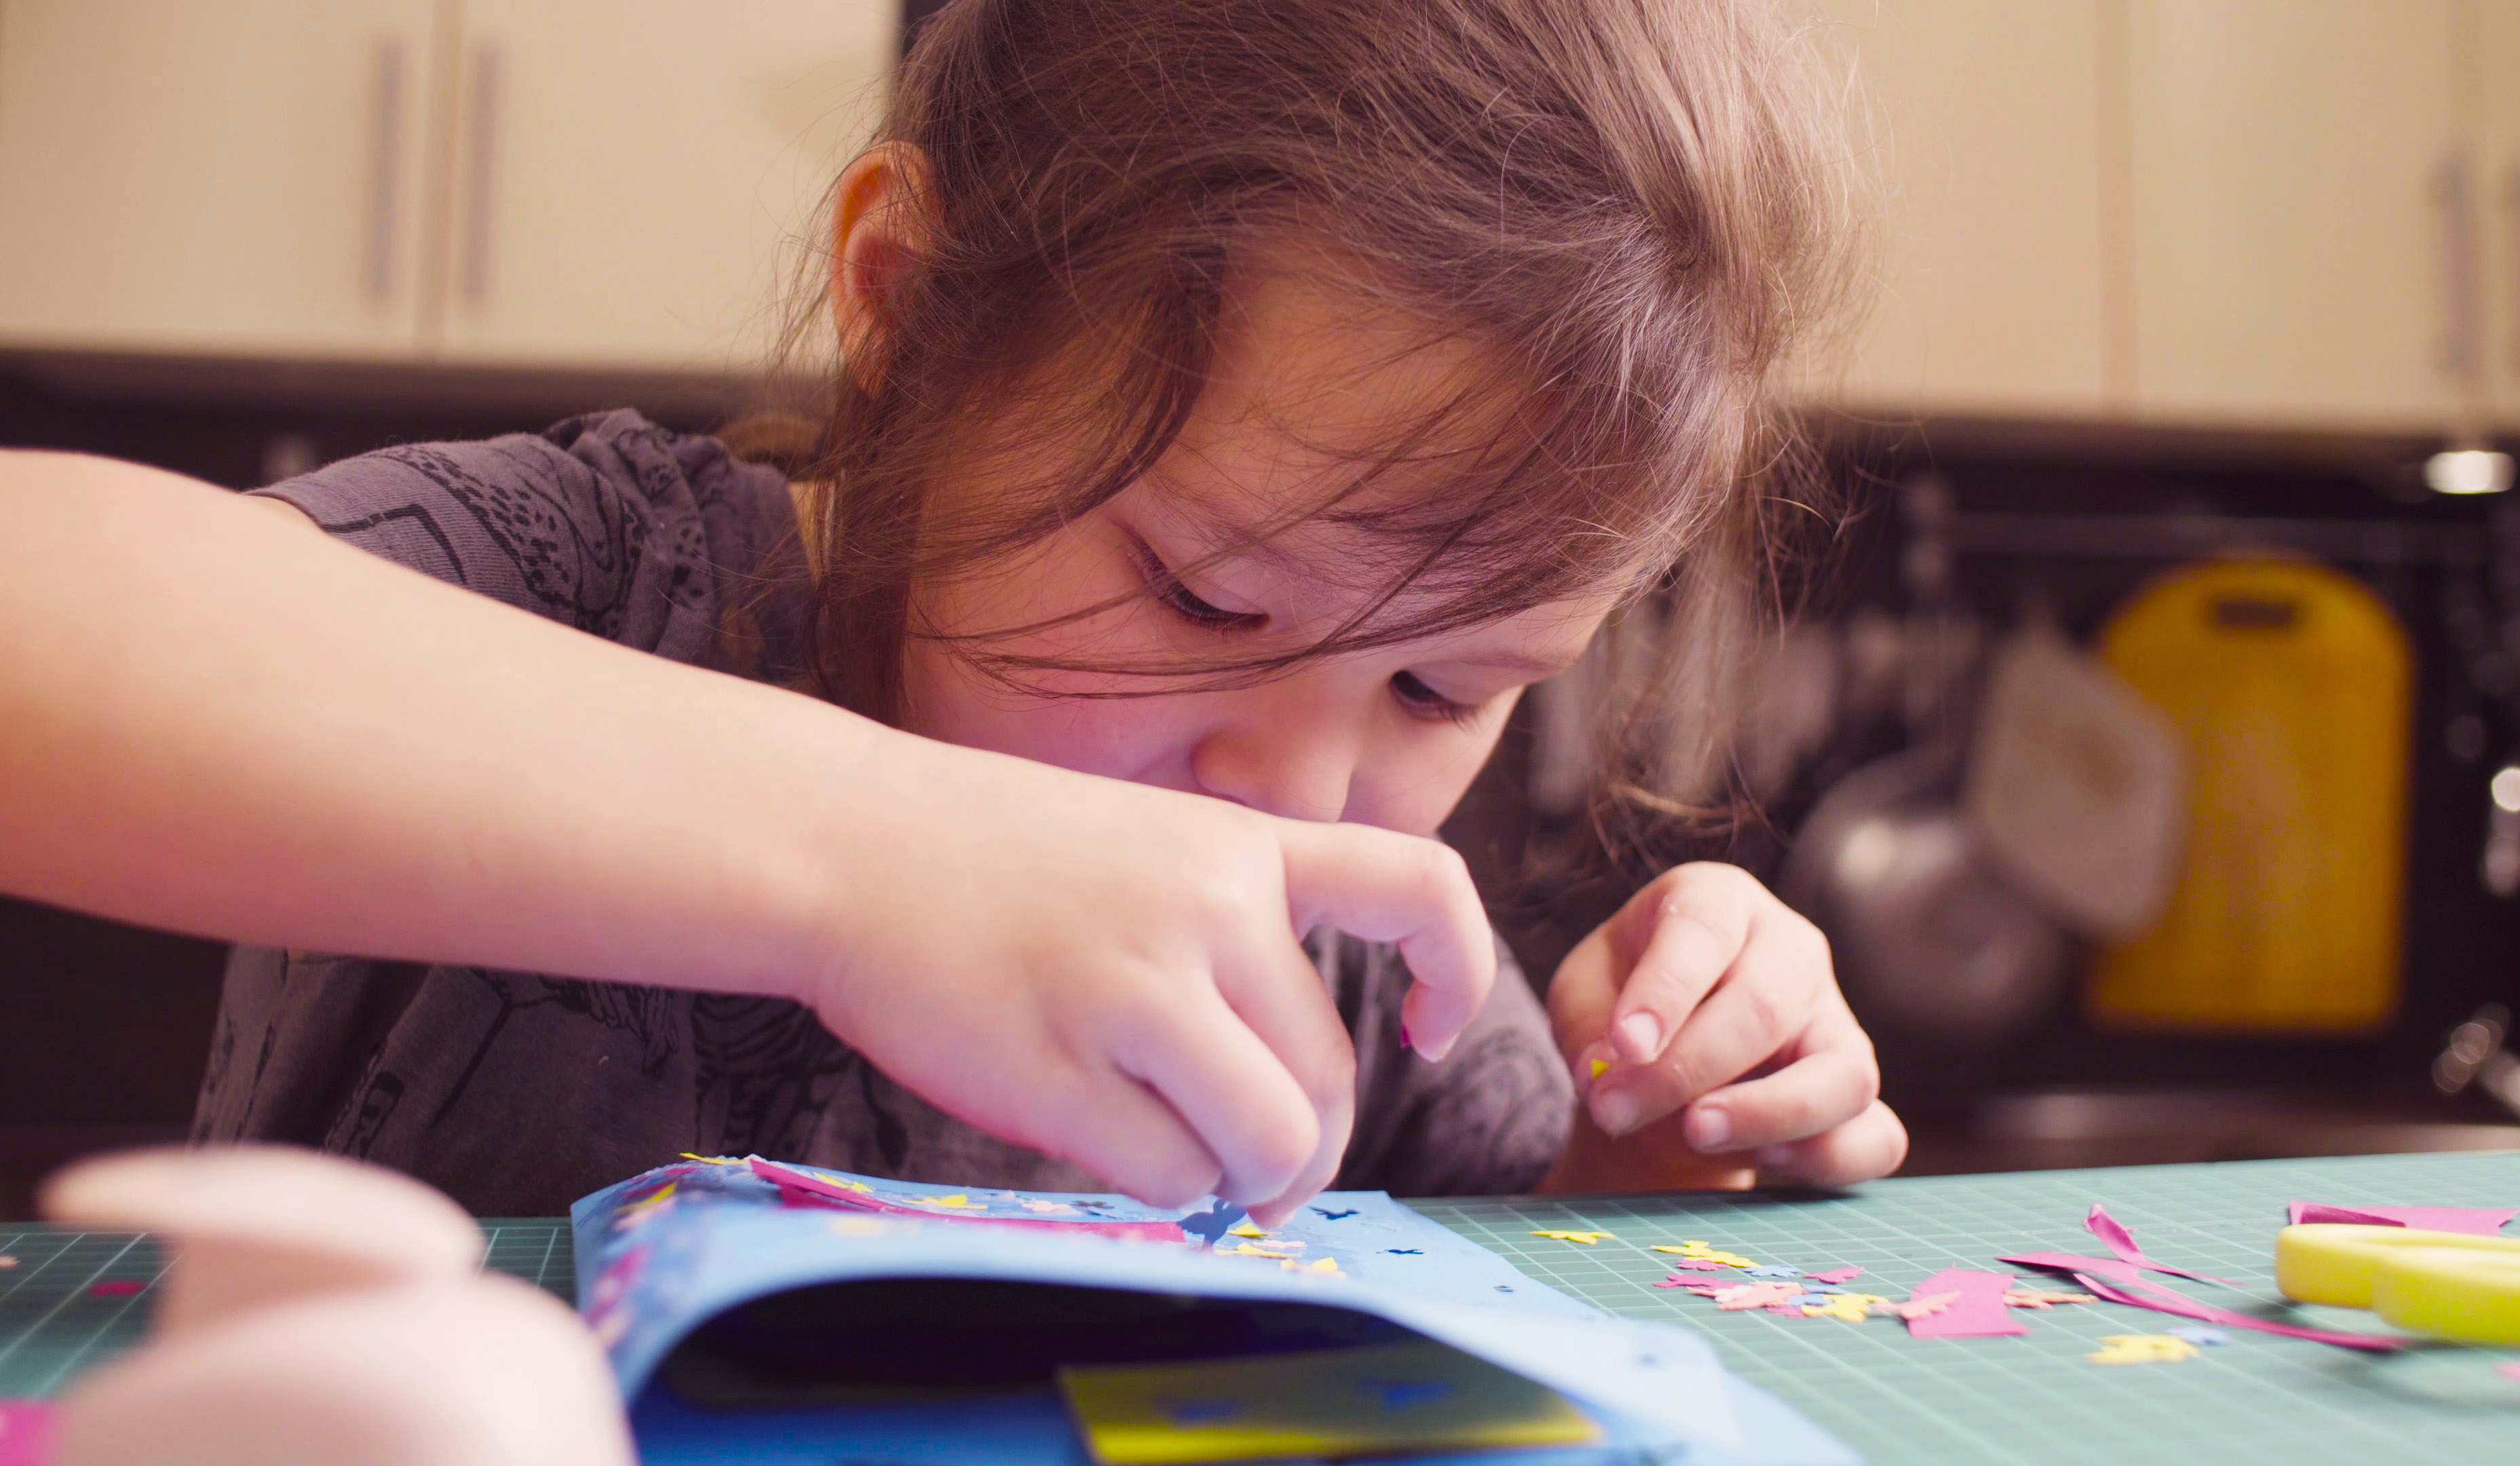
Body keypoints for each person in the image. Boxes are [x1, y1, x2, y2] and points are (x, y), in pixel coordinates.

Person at [0, 0, 1904, 1222]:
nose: (1293, 795)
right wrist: (864, 851)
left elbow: (1510, 1257)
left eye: (1438, 689)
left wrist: (1647, 1140)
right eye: (1202, 592)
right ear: (905, 306)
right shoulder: (582, 580)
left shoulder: (1340, 926)